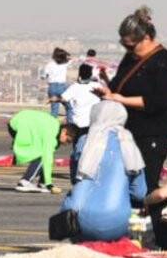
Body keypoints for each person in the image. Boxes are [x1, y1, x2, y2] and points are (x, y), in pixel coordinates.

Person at [95, 6, 167, 248]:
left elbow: (158, 101)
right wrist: (110, 91)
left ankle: (166, 233)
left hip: (151, 133)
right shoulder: (131, 59)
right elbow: (123, 88)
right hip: (126, 131)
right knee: (122, 185)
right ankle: (128, 236)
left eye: (132, 46)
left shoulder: (164, 62)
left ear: (147, 37)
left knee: (147, 187)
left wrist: (120, 99)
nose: (129, 51)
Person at [60, 101, 148, 241]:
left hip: (80, 220)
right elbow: (139, 193)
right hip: (117, 222)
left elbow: (75, 178)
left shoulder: (84, 141)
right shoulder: (128, 144)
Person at [9, 109, 79, 193]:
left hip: (22, 122)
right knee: (42, 156)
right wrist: (49, 184)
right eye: (68, 140)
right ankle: (25, 182)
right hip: (20, 124)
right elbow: (47, 158)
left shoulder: (55, 132)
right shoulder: (52, 133)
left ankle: (42, 183)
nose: (66, 144)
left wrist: (45, 183)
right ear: (64, 131)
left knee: (43, 155)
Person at [41, 48, 71, 118]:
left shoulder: (49, 65)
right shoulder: (65, 64)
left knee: (54, 109)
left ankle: (53, 125)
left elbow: (43, 76)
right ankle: (70, 124)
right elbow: (70, 58)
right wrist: (65, 54)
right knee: (69, 107)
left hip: (52, 87)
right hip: (62, 87)